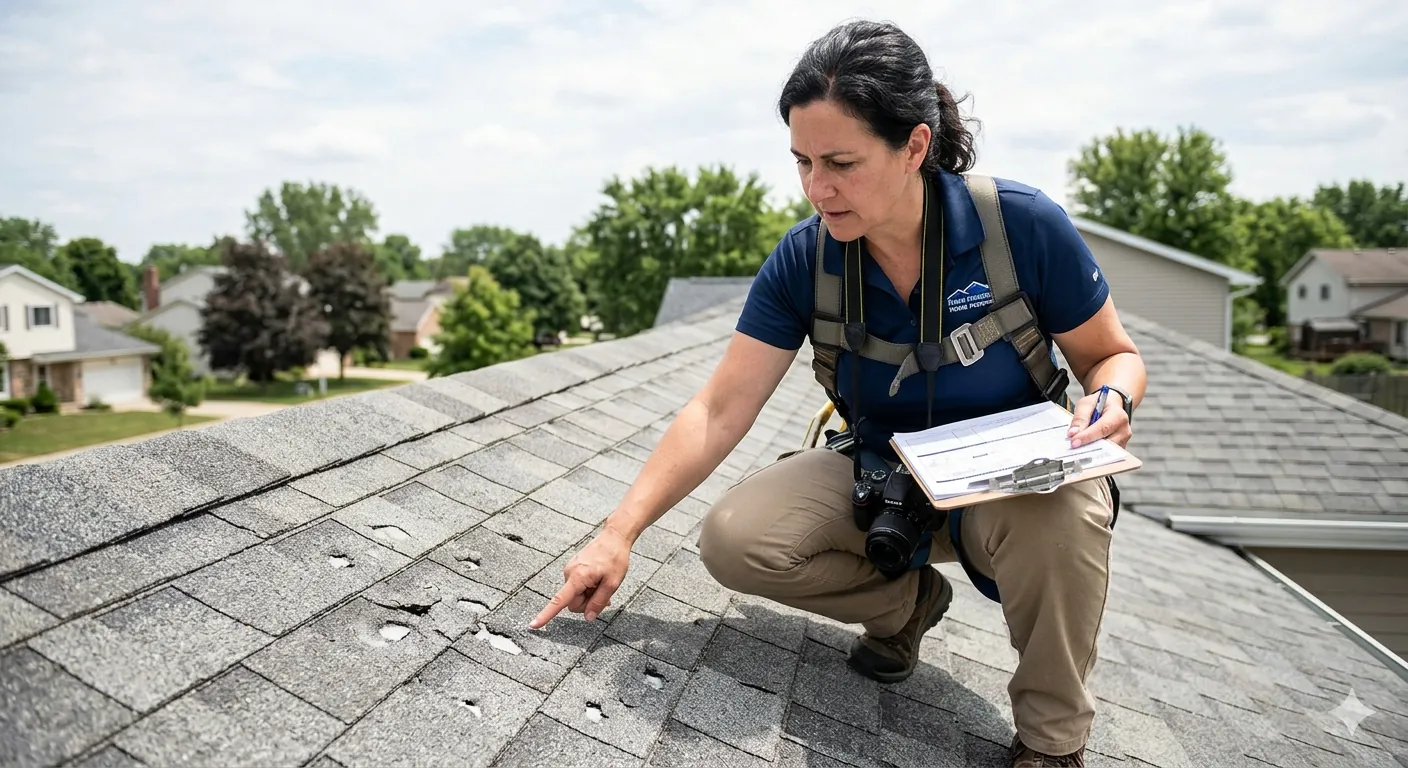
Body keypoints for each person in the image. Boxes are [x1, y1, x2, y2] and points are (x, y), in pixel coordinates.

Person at [532, 18, 1146, 768]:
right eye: (802, 162)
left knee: (1071, 507)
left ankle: (1053, 743)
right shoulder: (805, 260)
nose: (818, 189)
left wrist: (1109, 401)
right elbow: (718, 409)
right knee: (737, 538)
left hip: (1009, 490)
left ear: (915, 146)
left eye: (842, 163)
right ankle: (906, 605)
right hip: (881, 475)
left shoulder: (1018, 227)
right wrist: (616, 534)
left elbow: (1113, 356)